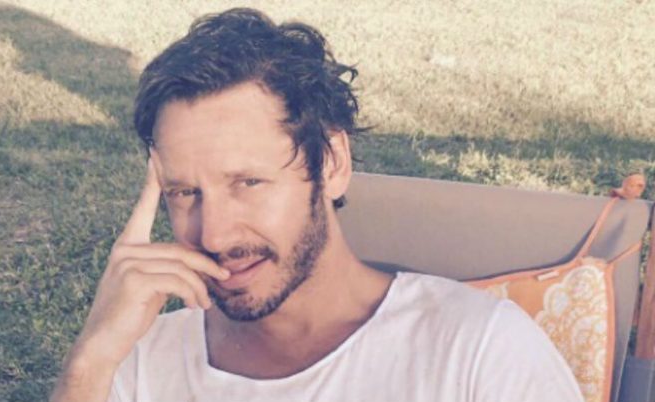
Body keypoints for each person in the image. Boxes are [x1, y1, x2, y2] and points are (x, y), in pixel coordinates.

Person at [51, 8, 583, 402]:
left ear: (330, 162)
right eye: (185, 193)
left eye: (248, 182)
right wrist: (89, 362)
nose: (213, 235)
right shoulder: (135, 362)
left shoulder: (477, 351)